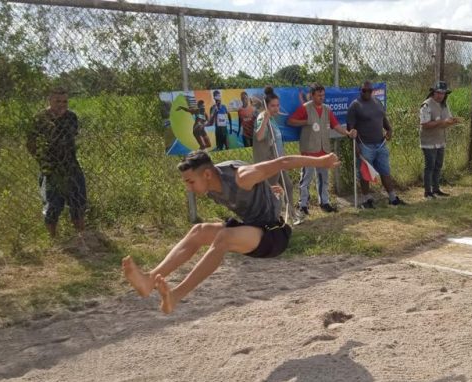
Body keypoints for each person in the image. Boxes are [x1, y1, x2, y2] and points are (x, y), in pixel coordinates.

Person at [122, 151, 340, 314]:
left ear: (207, 174)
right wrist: (267, 192)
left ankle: (176, 295)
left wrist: (320, 162)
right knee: (198, 231)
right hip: (251, 229)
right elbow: (258, 189)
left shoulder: (241, 177)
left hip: (273, 235)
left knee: (223, 238)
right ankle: (149, 280)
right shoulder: (211, 179)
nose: (188, 188)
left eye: (190, 182)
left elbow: (282, 163)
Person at [287, 83, 357, 215]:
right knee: (306, 178)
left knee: (324, 178)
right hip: (309, 150)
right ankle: (303, 205)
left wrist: (347, 133)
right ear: (312, 95)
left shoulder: (327, 109)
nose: (322, 97)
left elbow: (336, 125)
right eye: (319, 95)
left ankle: (324, 202)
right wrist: (305, 122)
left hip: (323, 150)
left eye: (323, 95)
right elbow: (290, 121)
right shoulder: (305, 108)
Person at [26, 87, 86, 239]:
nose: (62, 104)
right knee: (53, 205)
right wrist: (43, 161)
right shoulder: (40, 118)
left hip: (71, 166)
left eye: (65, 101)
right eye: (57, 101)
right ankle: (53, 239)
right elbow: (31, 144)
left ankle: (80, 237)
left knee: (78, 201)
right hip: (50, 169)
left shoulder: (71, 117)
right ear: (49, 100)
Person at [347, 81, 406, 208]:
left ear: (372, 91)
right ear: (360, 90)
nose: (367, 93)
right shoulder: (355, 105)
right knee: (365, 174)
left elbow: (383, 118)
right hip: (364, 145)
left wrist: (389, 129)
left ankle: (392, 198)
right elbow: (350, 128)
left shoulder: (378, 102)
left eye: (369, 90)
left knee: (385, 171)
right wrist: (355, 145)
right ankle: (366, 199)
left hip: (380, 144)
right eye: (364, 90)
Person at [253, 86, 296, 221]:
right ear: (266, 106)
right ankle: (270, 218)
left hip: (278, 161)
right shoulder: (263, 118)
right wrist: (265, 119)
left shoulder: (272, 119)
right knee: (270, 191)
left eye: (278, 105)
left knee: (288, 186)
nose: (276, 108)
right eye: (273, 106)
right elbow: (259, 136)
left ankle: (292, 215)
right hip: (268, 163)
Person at [419, 81, 461, 199]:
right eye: (438, 93)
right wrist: (442, 122)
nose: (440, 95)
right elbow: (425, 124)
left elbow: (446, 120)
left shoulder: (444, 105)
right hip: (428, 142)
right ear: (433, 92)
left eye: (443, 93)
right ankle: (428, 192)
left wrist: (452, 121)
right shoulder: (426, 105)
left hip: (440, 140)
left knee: (438, 165)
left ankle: (436, 189)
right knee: (430, 166)